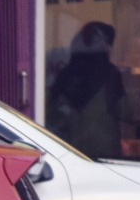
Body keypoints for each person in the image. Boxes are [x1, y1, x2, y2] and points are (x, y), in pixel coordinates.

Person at [50, 22, 127, 159]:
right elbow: (125, 111)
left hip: (68, 153)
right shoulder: (110, 74)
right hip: (104, 152)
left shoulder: (65, 75)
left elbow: (51, 114)